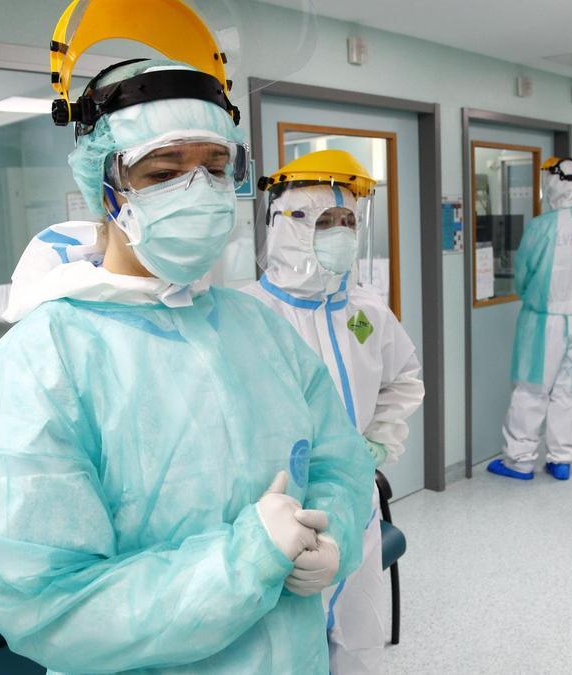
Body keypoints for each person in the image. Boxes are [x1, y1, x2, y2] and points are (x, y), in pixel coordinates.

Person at [0, 48, 373, 674]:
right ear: (106, 188)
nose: (198, 190)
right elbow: (46, 602)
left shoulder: (257, 327)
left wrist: (331, 533)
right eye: (163, 170)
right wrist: (247, 562)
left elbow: (340, 463)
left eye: (215, 166)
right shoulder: (44, 359)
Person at [244, 150, 424, 673]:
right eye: (326, 220)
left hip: (356, 497)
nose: (341, 231)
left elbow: (403, 378)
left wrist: (380, 441)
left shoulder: (366, 311)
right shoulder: (249, 313)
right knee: (285, 641)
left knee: (355, 626)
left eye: (349, 220)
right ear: (288, 225)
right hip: (280, 509)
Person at [489, 158, 572, 482]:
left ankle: (520, 461)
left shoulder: (542, 227)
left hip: (544, 321)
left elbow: (523, 275)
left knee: (531, 390)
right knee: (570, 392)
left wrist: (537, 298)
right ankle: (561, 459)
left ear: (553, 183)